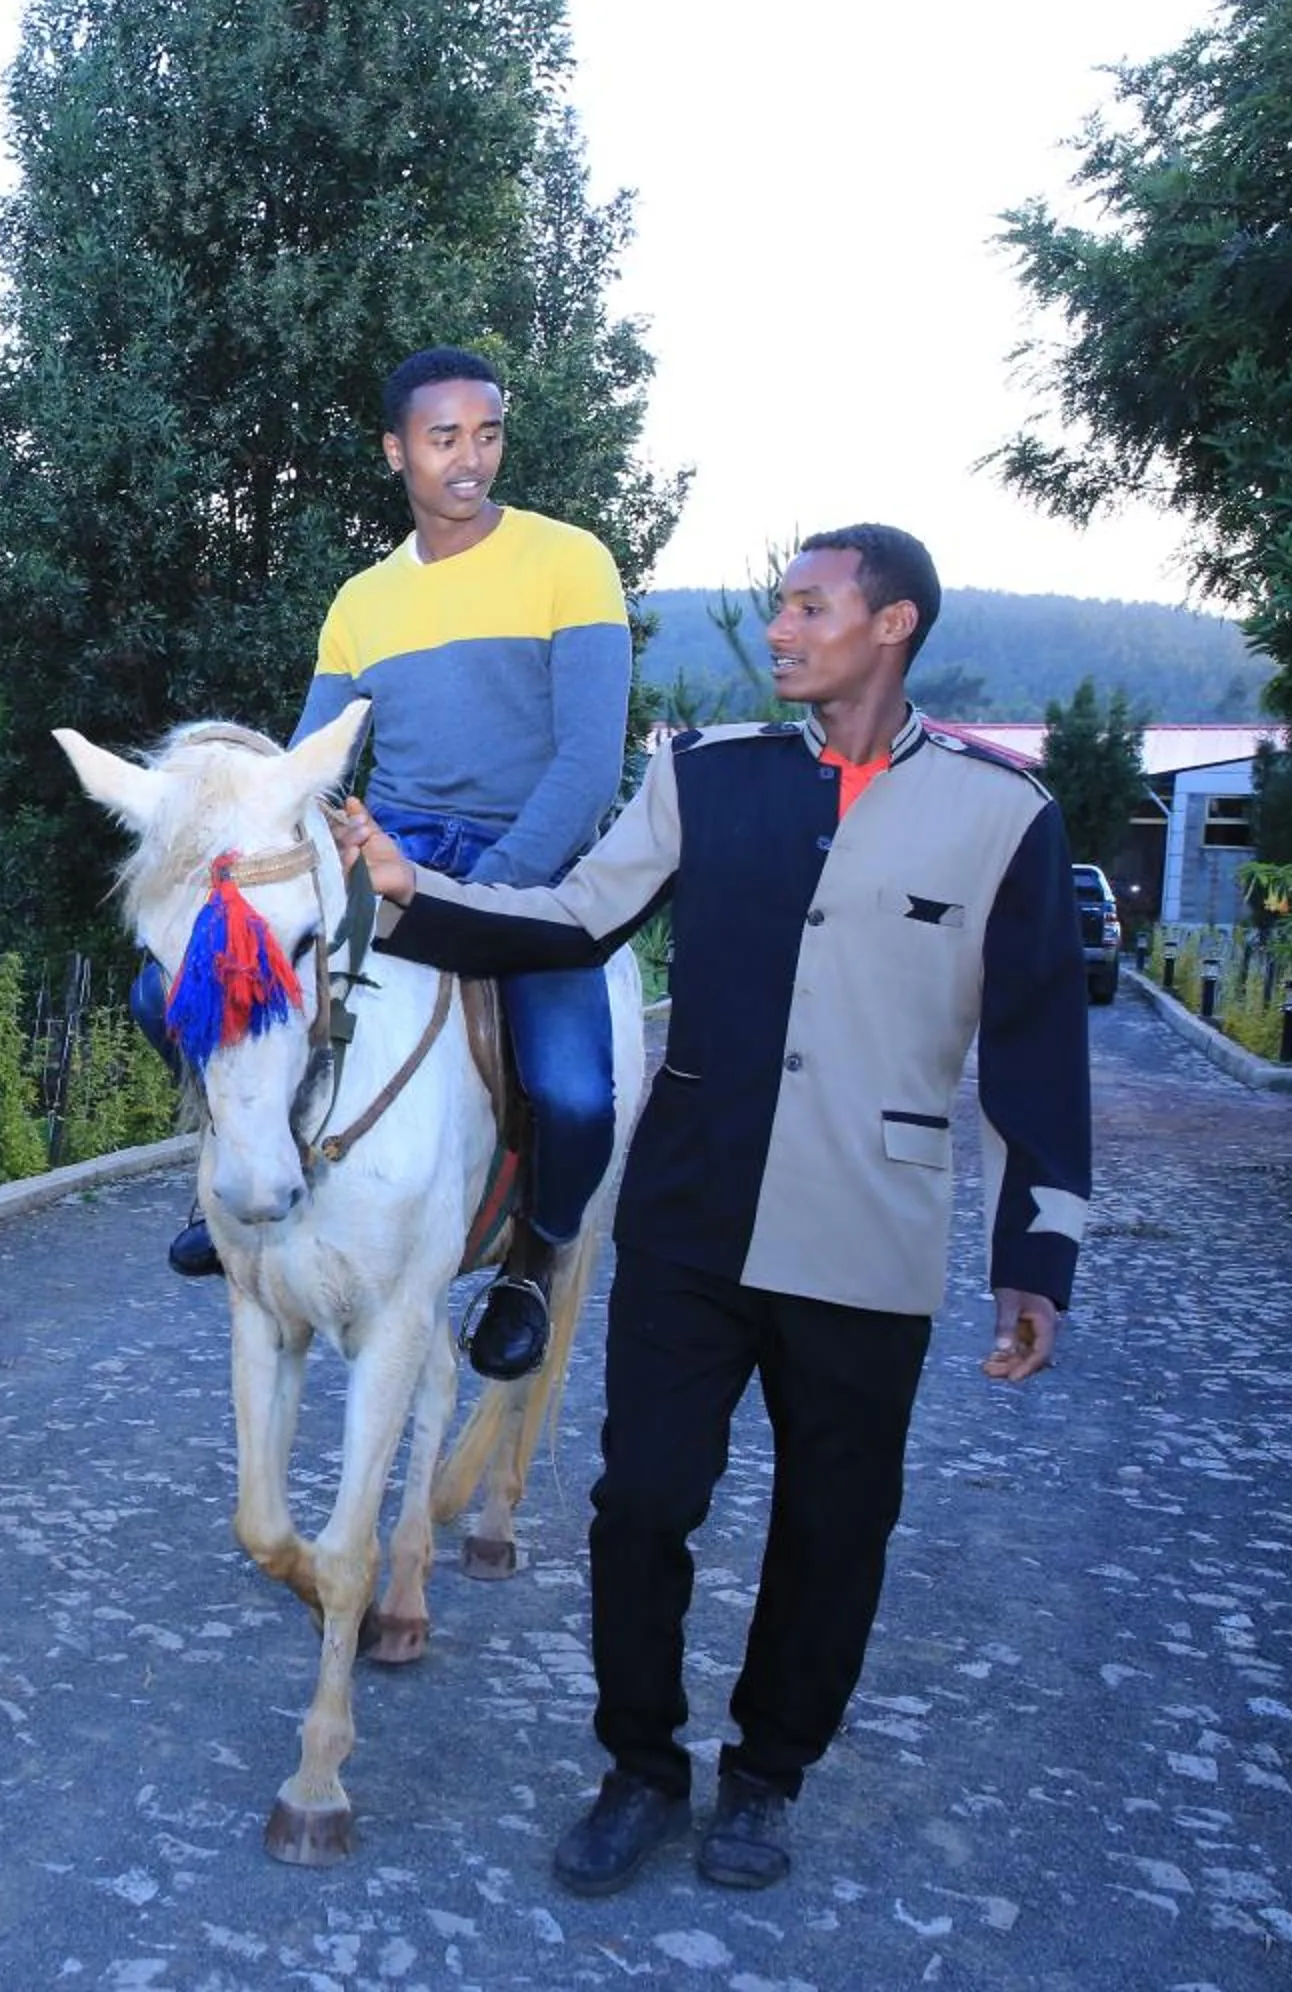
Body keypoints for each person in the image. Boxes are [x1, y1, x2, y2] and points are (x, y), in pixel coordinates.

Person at [342, 523, 1091, 1896]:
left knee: (834, 1525)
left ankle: (765, 1779)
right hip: (692, 1218)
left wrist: (1035, 1256)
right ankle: (639, 1769)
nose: (784, 629)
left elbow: (1039, 1044)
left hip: (870, 1231)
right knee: (640, 1502)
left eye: (811, 607)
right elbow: (574, 920)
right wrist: (412, 895)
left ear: (894, 625)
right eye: (781, 606)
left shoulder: (1003, 817)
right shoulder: (709, 778)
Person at [151, 345, 632, 1386]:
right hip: (390, 849)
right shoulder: (361, 601)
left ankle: (533, 1265)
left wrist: (482, 895)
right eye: (443, 437)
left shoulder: (571, 561)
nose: (470, 459)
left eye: (488, 433)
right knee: (167, 995)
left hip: (534, 869)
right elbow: (308, 770)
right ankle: (232, 1174)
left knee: (575, 1094)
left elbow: (590, 762)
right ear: (395, 450)